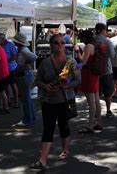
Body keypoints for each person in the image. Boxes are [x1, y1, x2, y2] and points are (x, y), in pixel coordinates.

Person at [31, 34, 81, 171]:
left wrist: (66, 86)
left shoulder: (71, 62)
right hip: (49, 100)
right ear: (51, 45)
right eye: (56, 43)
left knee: (64, 126)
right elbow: (37, 80)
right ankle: (43, 160)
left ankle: (65, 150)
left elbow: (78, 80)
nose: (60, 45)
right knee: (48, 128)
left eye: (62, 43)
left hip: (65, 99)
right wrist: (45, 86)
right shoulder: (45, 63)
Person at [76, 30, 102, 134]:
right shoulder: (95, 45)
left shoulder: (88, 46)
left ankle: (90, 125)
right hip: (94, 74)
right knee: (96, 99)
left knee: (91, 101)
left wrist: (78, 51)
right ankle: (98, 122)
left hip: (88, 74)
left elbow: (83, 61)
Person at [13, 32, 38, 127]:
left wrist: (26, 63)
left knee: (26, 98)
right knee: (28, 98)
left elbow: (34, 57)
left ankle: (28, 119)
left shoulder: (23, 50)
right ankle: (31, 117)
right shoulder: (23, 49)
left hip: (24, 75)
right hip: (25, 74)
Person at [94, 23, 116, 118]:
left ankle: (95, 110)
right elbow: (112, 55)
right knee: (108, 91)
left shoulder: (92, 40)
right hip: (106, 69)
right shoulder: (107, 41)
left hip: (93, 70)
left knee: (95, 92)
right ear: (103, 30)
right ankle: (108, 110)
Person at [0, 33, 19, 108]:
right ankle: (8, 100)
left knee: (13, 84)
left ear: (3, 39)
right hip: (3, 69)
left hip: (11, 68)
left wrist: (6, 61)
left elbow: (15, 55)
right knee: (6, 85)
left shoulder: (10, 44)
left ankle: (16, 101)